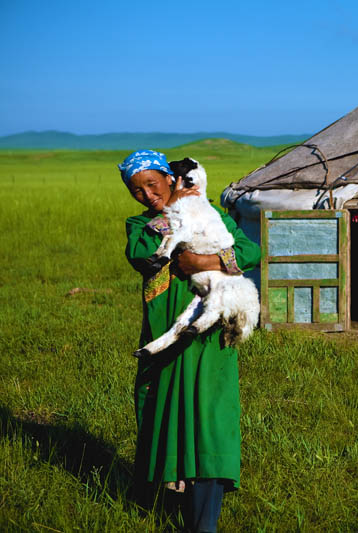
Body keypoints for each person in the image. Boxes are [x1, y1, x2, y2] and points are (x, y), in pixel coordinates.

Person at [119, 149, 260, 532]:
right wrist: (172, 214)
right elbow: (141, 253)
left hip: (208, 342)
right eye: (137, 190)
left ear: (171, 178)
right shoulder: (141, 225)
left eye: (153, 184)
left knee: (209, 420)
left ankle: (203, 522)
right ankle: (166, 502)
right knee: (162, 415)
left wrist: (204, 263)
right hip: (164, 339)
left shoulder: (210, 214)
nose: (147, 195)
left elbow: (249, 250)